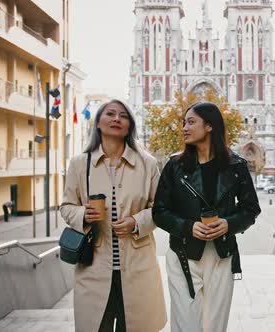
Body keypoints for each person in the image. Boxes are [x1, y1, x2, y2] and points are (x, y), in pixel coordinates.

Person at [153, 102, 261, 332]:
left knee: (215, 326)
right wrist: (188, 227)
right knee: (186, 325)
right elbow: (159, 212)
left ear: (210, 126)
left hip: (222, 255)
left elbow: (251, 209)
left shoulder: (236, 166)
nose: (184, 127)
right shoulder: (174, 166)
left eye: (191, 122)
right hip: (183, 254)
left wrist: (229, 224)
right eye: (184, 122)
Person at [60, 99, 166, 332]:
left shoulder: (147, 164)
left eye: (123, 116)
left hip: (138, 270)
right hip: (94, 271)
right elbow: (66, 206)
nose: (117, 119)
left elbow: (161, 209)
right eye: (110, 114)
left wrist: (137, 222)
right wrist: (83, 214)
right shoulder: (80, 164)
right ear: (98, 123)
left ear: (130, 126)